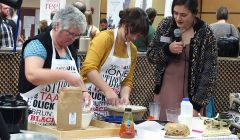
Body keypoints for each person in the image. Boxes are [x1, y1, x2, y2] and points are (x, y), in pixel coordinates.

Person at [18, 6, 92, 126]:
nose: (73, 39)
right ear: (57, 25)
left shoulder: (71, 50)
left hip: (59, 120)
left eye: (77, 35)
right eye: (71, 34)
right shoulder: (38, 44)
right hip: (32, 119)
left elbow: (76, 77)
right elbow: (32, 74)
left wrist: (84, 92)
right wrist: (64, 75)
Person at [146, 0, 217, 121]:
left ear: (194, 13)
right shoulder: (166, 25)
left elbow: (209, 73)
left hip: (192, 96)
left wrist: (197, 105)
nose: (178, 18)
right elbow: (151, 55)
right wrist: (167, 50)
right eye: (175, 13)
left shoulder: (206, 33)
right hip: (166, 91)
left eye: (183, 15)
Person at [81, 7, 149, 118]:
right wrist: (107, 90)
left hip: (112, 108)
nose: (135, 38)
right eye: (133, 33)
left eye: (138, 35)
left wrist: (125, 97)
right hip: (89, 101)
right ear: (125, 24)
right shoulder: (104, 38)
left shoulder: (133, 50)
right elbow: (88, 69)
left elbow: (127, 80)